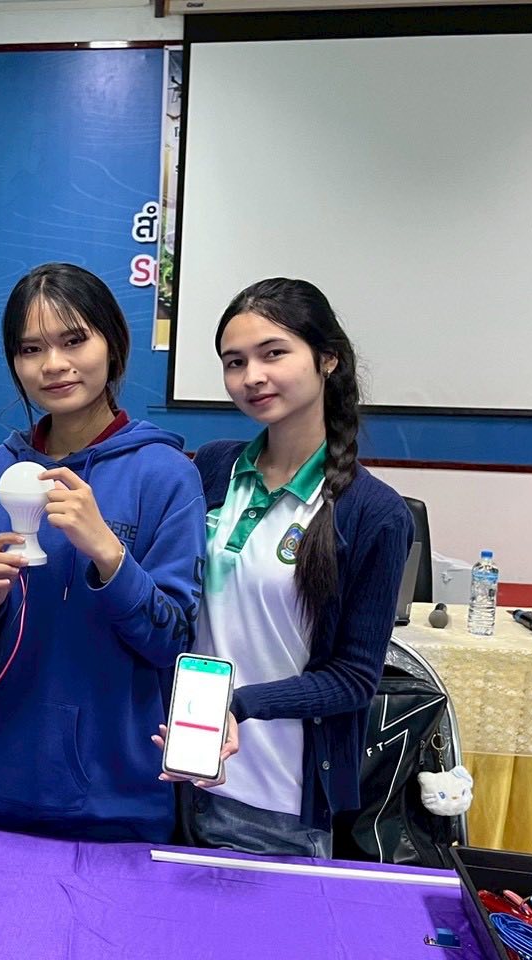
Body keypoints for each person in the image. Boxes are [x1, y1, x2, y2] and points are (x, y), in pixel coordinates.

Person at [0, 262, 207, 844]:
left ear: (113, 343)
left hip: (113, 798)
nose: (53, 364)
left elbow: (172, 640)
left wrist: (109, 553)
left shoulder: (166, 475)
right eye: (31, 349)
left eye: (74, 340)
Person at [159, 277, 412, 859]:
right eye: (234, 362)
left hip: (274, 800)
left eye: (273, 353)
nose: (252, 376)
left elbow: (353, 680)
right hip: (172, 774)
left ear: (328, 358)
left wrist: (237, 705)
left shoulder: (374, 513)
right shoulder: (213, 468)